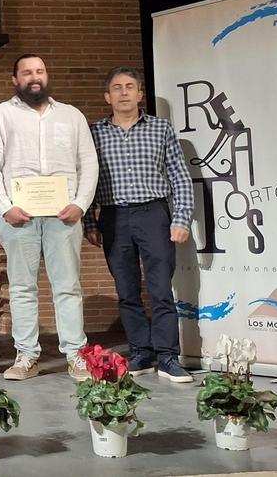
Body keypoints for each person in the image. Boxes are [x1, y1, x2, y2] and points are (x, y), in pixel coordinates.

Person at [0, 54, 97, 381]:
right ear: (15, 79)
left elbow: (88, 163)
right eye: (27, 72)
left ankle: (75, 354)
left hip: (64, 215)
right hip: (19, 216)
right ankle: (26, 355)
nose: (34, 76)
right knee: (21, 287)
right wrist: (4, 206)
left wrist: (81, 203)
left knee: (68, 286)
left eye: (40, 71)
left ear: (47, 76)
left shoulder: (71, 117)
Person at [85, 66, 196, 383]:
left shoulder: (161, 129)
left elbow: (179, 177)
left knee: (161, 289)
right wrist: (90, 225)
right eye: (116, 87)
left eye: (130, 86)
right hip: (113, 216)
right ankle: (141, 353)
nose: (123, 92)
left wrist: (181, 218)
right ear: (107, 96)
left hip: (153, 214)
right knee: (127, 291)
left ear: (139, 94)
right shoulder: (94, 133)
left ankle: (168, 356)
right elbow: (87, 180)